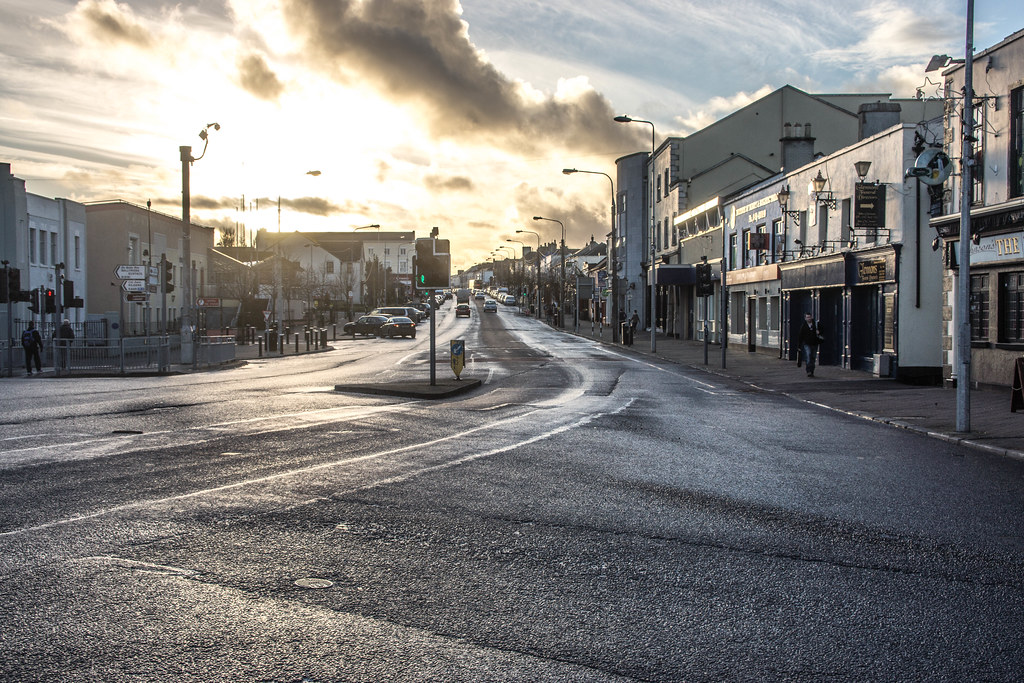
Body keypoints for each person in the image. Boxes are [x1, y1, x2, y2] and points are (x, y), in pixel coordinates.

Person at [797, 312, 824, 377]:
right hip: (807, 344)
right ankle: (808, 371)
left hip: (815, 343)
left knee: (813, 357)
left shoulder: (816, 324)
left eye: (809, 317)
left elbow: (823, 330)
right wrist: (799, 346)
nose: (809, 318)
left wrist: (819, 332)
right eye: (807, 317)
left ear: (811, 317)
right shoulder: (803, 326)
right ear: (805, 318)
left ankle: (812, 371)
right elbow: (800, 336)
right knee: (808, 355)